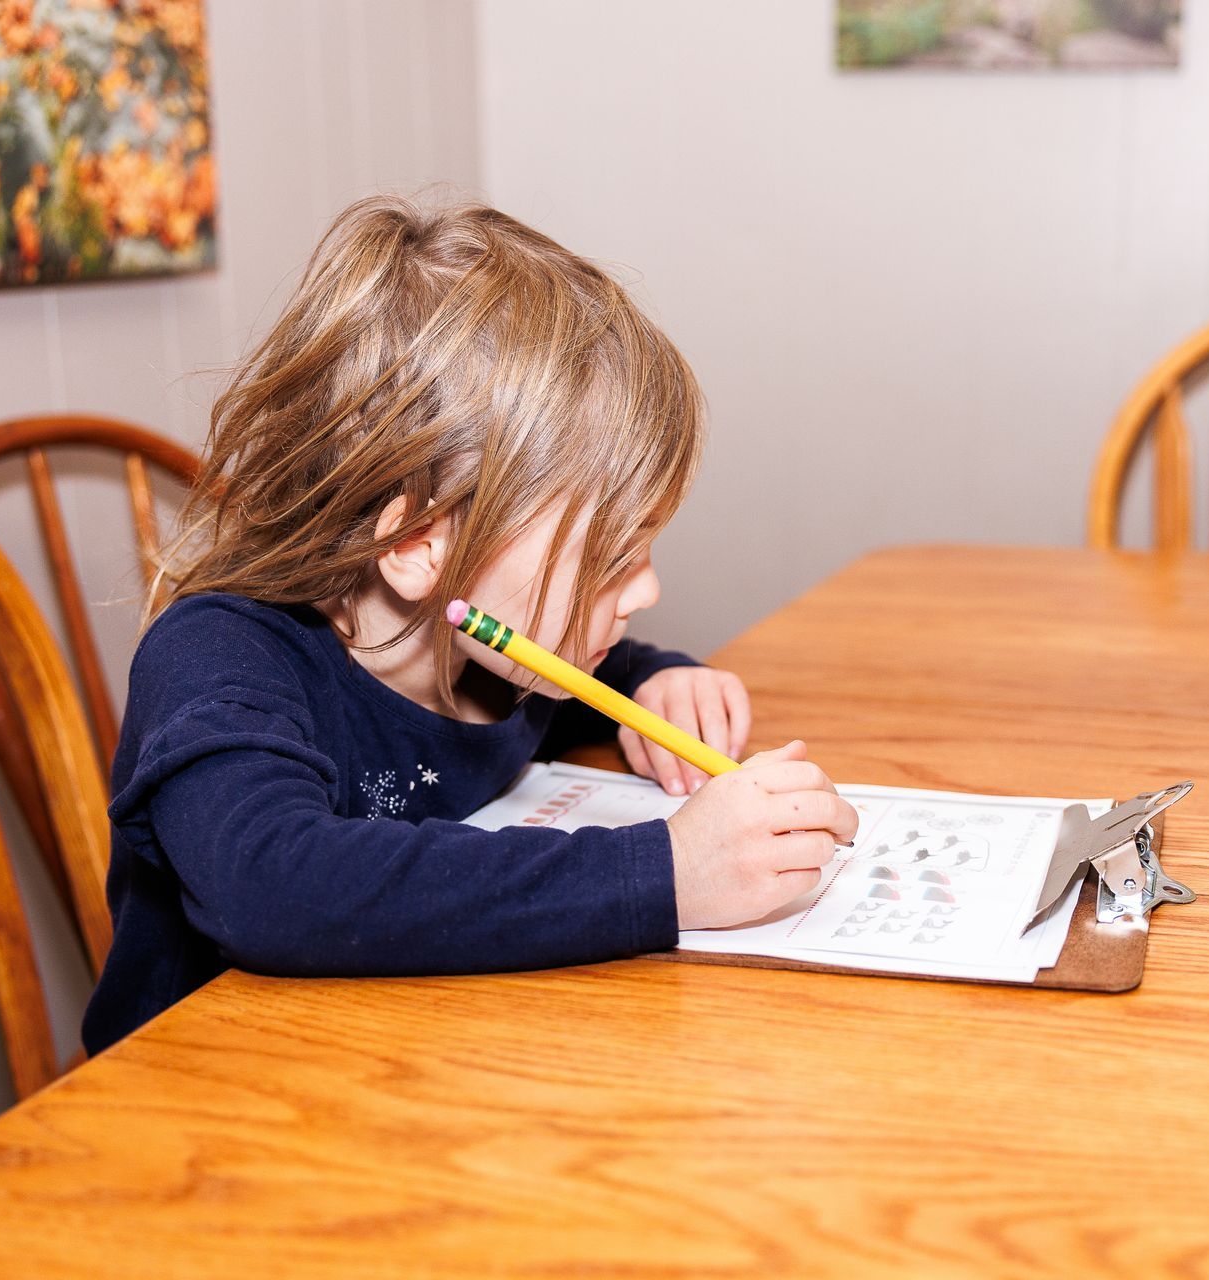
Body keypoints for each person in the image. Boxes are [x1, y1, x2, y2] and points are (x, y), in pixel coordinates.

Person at [83, 197, 857, 1053]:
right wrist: (665, 873)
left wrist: (654, 680)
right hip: (202, 1105)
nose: (647, 590)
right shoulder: (219, 659)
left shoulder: (496, 655)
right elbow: (271, 887)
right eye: (611, 559)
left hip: (410, 1061)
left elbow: (587, 680)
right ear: (418, 544)